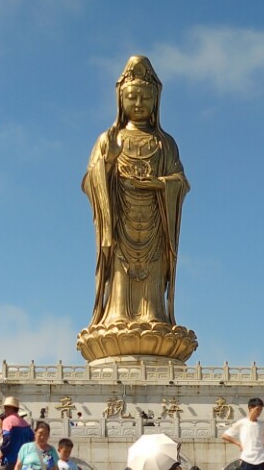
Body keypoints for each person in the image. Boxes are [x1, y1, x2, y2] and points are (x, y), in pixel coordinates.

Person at [81, 55, 190, 333]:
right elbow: (90, 181)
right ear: (121, 100)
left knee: (153, 274)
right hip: (120, 221)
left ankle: (153, 316)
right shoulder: (109, 139)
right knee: (120, 270)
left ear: (156, 101)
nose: (139, 104)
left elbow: (180, 181)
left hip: (155, 221)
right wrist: (108, 162)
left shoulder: (165, 144)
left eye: (145, 98)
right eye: (132, 97)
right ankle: (116, 315)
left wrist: (156, 184)